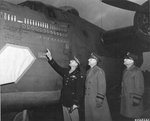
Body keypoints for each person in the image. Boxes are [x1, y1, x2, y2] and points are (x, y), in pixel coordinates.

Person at [45, 49, 84, 121]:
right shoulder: (66, 71)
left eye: (73, 61)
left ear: (76, 64)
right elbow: (57, 67)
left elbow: (79, 90)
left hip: (72, 103)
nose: (70, 61)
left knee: (74, 119)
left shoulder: (79, 75)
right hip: (64, 101)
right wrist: (50, 57)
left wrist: (76, 103)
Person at [85, 53, 112, 121]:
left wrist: (99, 100)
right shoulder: (88, 71)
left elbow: (102, 86)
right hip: (89, 99)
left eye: (90, 59)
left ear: (95, 61)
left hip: (95, 99)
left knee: (98, 117)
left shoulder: (99, 71)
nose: (88, 60)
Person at [120, 52, 144, 120]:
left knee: (134, 116)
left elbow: (140, 87)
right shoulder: (125, 71)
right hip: (126, 98)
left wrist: (136, 100)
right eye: (124, 58)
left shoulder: (137, 71)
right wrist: (122, 94)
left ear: (132, 61)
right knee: (127, 116)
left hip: (133, 99)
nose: (124, 59)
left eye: (126, 59)